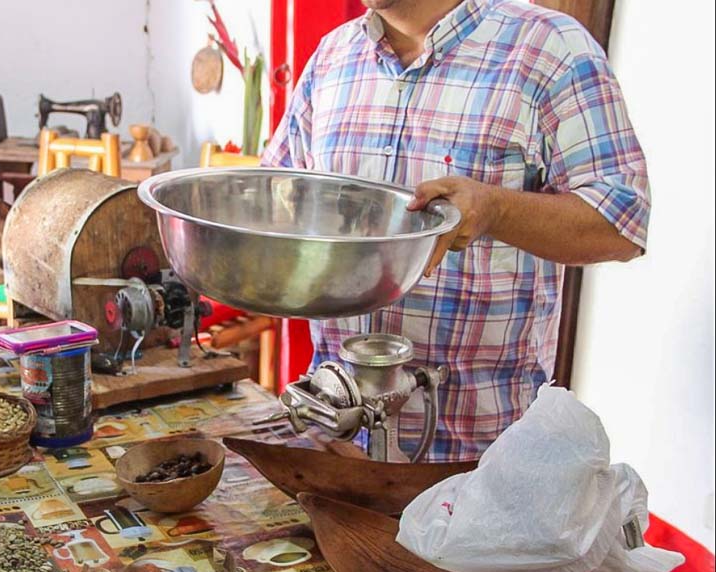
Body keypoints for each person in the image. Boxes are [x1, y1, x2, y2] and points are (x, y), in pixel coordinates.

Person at [261, 0, 649, 461]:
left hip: (480, 463)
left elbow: (622, 222)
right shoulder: (331, 59)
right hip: (335, 442)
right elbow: (274, 203)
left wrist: (495, 210)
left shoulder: (550, 48)